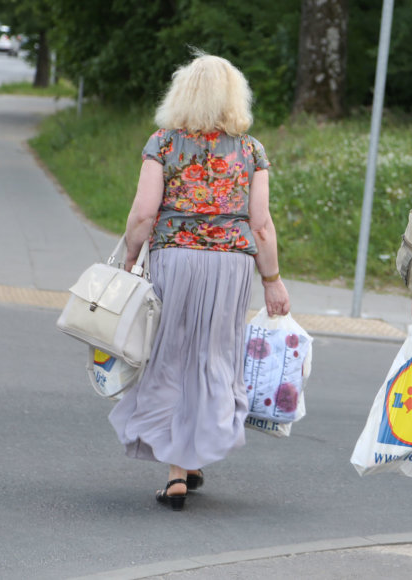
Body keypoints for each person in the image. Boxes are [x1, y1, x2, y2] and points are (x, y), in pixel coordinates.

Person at [108, 53, 290, 511]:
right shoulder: (250, 150)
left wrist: (130, 258)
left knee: (171, 354)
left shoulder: (163, 144)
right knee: (212, 357)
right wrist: (272, 280)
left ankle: (176, 472)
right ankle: (190, 459)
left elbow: (144, 213)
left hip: (175, 259)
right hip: (230, 264)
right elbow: (262, 224)